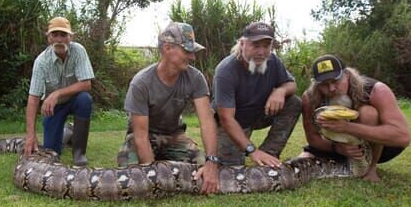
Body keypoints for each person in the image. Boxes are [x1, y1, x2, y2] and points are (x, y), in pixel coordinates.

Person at [116, 22, 219, 194]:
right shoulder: (141, 83)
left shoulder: (196, 78)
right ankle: (158, 162)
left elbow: (207, 122)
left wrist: (211, 162)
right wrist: (153, 176)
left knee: (200, 166)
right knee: (131, 173)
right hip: (145, 134)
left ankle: (164, 159)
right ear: (167, 48)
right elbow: (141, 136)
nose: (192, 57)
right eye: (187, 51)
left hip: (173, 134)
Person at [301, 54, 411, 182]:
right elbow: (312, 137)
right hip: (338, 147)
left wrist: (347, 127)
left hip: (380, 149)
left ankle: (371, 168)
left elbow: (403, 137)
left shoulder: (377, 90)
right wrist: (337, 148)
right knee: (304, 159)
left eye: (336, 81)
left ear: (347, 75)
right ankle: (341, 161)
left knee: (368, 113)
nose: (331, 89)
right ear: (316, 84)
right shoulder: (310, 98)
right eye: (324, 85)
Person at [212, 22, 302, 167]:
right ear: (242, 44)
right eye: (255, 45)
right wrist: (252, 150)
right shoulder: (225, 71)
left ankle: (269, 154)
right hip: (231, 123)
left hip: (259, 114)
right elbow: (226, 118)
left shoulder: (273, 61)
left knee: (293, 102)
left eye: (266, 46)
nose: (261, 52)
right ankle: (251, 152)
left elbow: (291, 84)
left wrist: (280, 91)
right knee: (230, 168)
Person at [24, 17, 95, 166]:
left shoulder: (79, 51)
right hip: (54, 107)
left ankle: (79, 153)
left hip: (75, 100)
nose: (59, 39)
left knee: (85, 99)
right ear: (48, 38)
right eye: (54, 35)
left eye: (63, 35)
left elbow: (86, 84)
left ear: (71, 37)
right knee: (52, 151)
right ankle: (67, 133)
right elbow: (33, 99)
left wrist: (56, 93)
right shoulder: (41, 62)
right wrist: (31, 135)